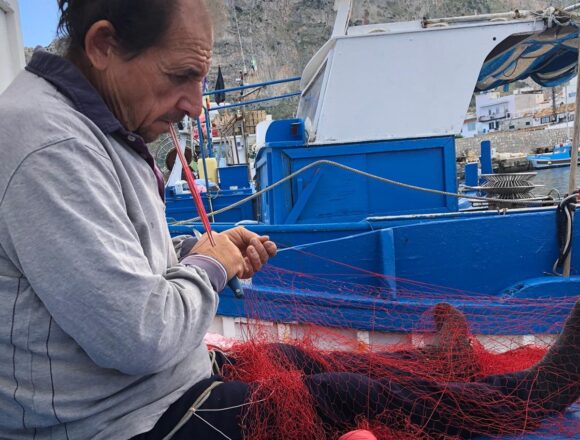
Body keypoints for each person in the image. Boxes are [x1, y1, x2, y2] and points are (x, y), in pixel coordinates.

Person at [0, 1, 577, 440]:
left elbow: (108, 266)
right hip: (125, 420)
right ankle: (530, 392)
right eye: (181, 76)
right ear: (103, 45)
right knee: (344, 395)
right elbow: (139, 338)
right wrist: (209, 265)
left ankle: (434, 364)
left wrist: (196, 248)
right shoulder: (49, 147)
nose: (196, 103)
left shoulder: (95, 125)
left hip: (155, 385)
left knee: (304, 362)